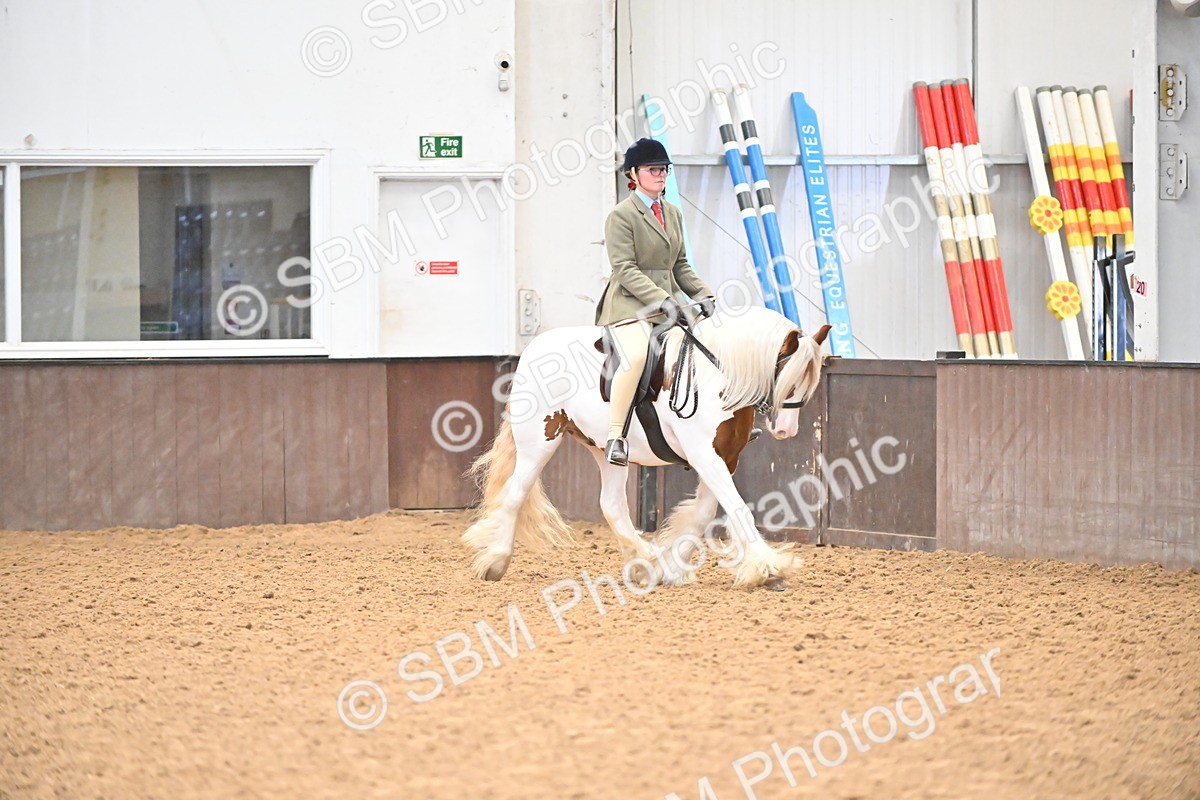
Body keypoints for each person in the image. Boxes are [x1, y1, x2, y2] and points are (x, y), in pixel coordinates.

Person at [594, 138, 716, 467]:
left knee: (707, 349)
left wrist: (702, 292)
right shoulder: (621, 216)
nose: (661, 175)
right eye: (653, 169)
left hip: (669, 305)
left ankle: (715, 426)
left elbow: (680, 265)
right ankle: (616, 437)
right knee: (635, 357)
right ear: (633, 174)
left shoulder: (673, 214)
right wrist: (664, 301)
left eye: (664, 169)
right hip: (629, 306)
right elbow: (626, 270)